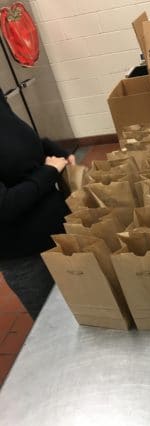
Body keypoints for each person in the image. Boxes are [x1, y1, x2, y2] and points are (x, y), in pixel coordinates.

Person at [0, 89, 74, 319]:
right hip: (25, 254)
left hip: (56, 231)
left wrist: (51, 149)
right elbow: (4, 206)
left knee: (83, 303)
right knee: (54, 321)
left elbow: (17, 144)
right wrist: (49, 172)